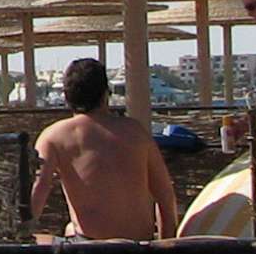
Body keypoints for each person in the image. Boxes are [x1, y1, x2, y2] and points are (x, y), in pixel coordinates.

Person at [29, 57, 178, 241]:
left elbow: (38, 190)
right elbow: (165, 197)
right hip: (138, 246)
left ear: (66, 96)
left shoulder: (54, 136)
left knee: (46, 237)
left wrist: (20, 239)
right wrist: (165, 246)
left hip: (92, 249)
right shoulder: (135, 131)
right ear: (106, 94)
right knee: (69, 228)